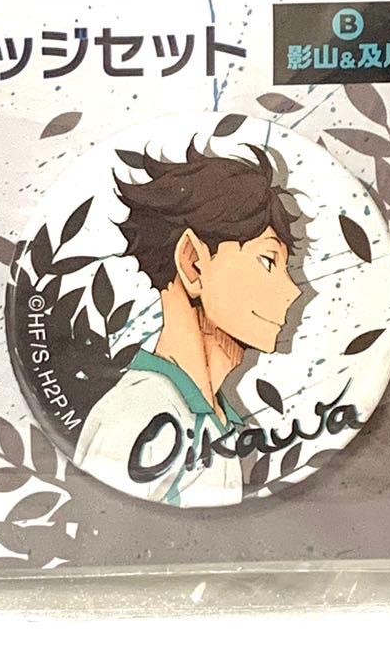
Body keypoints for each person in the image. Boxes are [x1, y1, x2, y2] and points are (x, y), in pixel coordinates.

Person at [73, 142, 302, 507]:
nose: (293, 291)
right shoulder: (140, 413)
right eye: (268, 261)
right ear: (193, 262)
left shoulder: (214, 420)